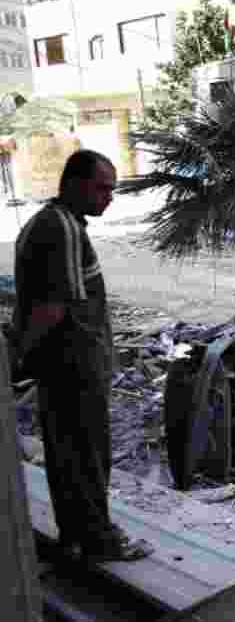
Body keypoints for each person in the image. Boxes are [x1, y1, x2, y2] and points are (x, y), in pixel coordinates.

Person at [11, 149, 153, 563]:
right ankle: (99, 540)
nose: (109, 196)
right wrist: (19, 356)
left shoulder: (48, 222)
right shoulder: (63, 229)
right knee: (88, 455)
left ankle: (74, 534)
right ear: (74, 183)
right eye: (102, 187)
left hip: (62, 367)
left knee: (65, 454)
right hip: (74, 366)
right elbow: (55, 307)